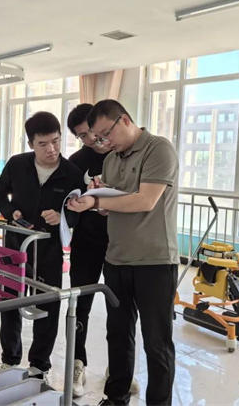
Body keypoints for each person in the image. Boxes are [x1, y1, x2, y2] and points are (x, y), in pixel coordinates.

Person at [67, 99, 180, 406]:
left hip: (154, 261)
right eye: (97, 137)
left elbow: (145, 201)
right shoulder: (111, 160)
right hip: (116, 259)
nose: (103, 142)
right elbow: (112, 207)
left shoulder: (158, 149)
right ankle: (115, 398)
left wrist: (97, 202)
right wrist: (96, 198)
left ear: (125, 120)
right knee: (118, 334)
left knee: (156, 342)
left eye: (106, 134)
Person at [0, 111, 83, 379]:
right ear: (31, 143)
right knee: (10, 302)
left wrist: (63, 216)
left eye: (56, 141)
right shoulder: (17, 164)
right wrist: (10, 212)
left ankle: (39, 365)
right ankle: (10, 359)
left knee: (47, 307)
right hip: (15, 247)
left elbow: (80, 211)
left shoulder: (71, 173)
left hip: (49, 250)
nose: (51, 149)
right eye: (43, 144)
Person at [66, 103, 139, 397]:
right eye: (82, 136)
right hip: (86, 244)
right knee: (79, 305)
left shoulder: (122, 154)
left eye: (93, 132)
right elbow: (68, 205)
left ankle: (119, 370)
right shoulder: (75, 162)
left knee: (121, 309)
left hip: (120, 243)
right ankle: (77, 363)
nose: (92, 139)